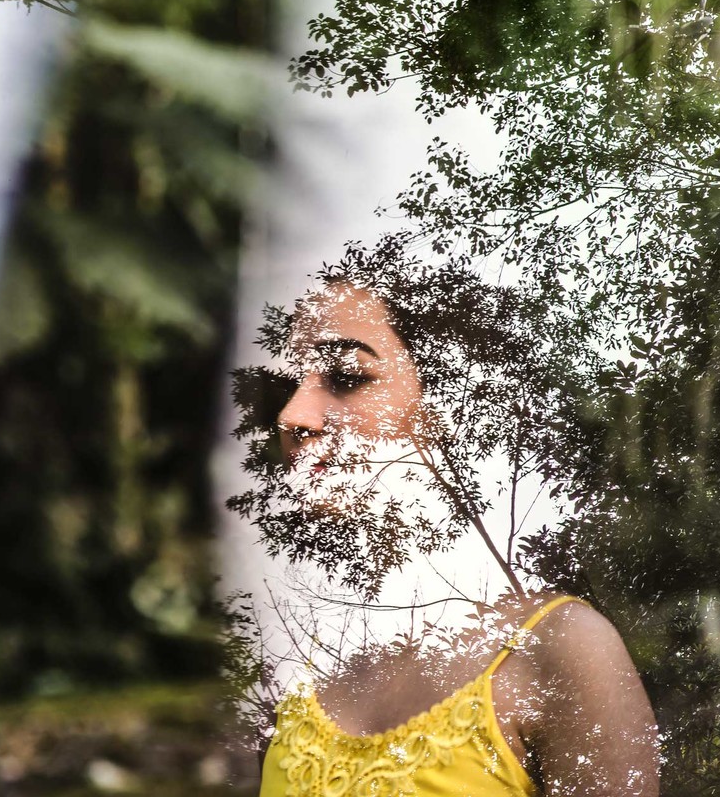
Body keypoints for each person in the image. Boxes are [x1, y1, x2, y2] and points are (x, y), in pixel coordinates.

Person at [256, 279, 659, 796]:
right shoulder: (295, 655)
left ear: (450, 403)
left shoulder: (562, 648)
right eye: (290, 385)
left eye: (349, 377)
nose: (291, 416)